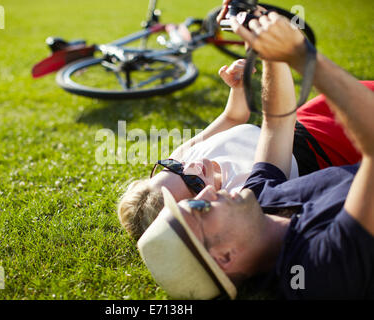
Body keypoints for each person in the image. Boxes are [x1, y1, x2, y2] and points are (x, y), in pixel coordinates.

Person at [137, 3, 374, 300]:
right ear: (224, 257)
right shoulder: (314, 272)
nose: (206, 193)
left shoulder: (260, 201)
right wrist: (301, 56)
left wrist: (263, 48)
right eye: (199, 209)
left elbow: (276, 122)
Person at [118, 49, 362, 242]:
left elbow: (233, 117)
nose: (190, 165)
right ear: (199, 208)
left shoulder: (183, 158)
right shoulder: (239, 202)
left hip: (305, 118)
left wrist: (238, 88)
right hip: (332, 150)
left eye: (174, 168)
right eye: (193, 183)